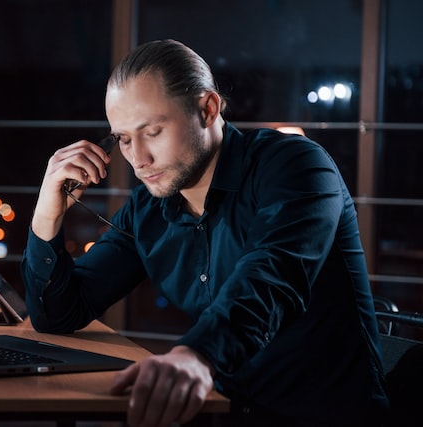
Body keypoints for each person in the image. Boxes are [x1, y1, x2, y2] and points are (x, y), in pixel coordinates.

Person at [21, 39, 388, 426]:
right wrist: (47, 212)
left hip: (323, 415)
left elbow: (271, 278)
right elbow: (57, 316)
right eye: (125, 139)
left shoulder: (297, 167)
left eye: (154, 131)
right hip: (222, 412)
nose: (138, 160)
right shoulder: (149, 209)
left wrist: (196, 355)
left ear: (208, 109)